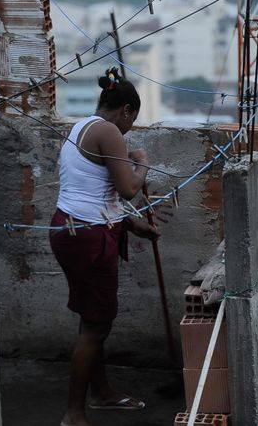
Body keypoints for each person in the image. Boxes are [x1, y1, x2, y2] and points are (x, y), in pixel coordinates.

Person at [49, 68, 160, 426]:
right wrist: (142, 164)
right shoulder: (109, 131)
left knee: (92, 320)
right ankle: (74, 414)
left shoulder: (80, 127)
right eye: (132, 120)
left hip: (69, 229)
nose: (128, 130)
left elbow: (93, 193)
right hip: (90, 238)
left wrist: (135, 226)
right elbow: (128, 189)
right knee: (96, 326)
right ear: (125, 110)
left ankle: (100, 393)